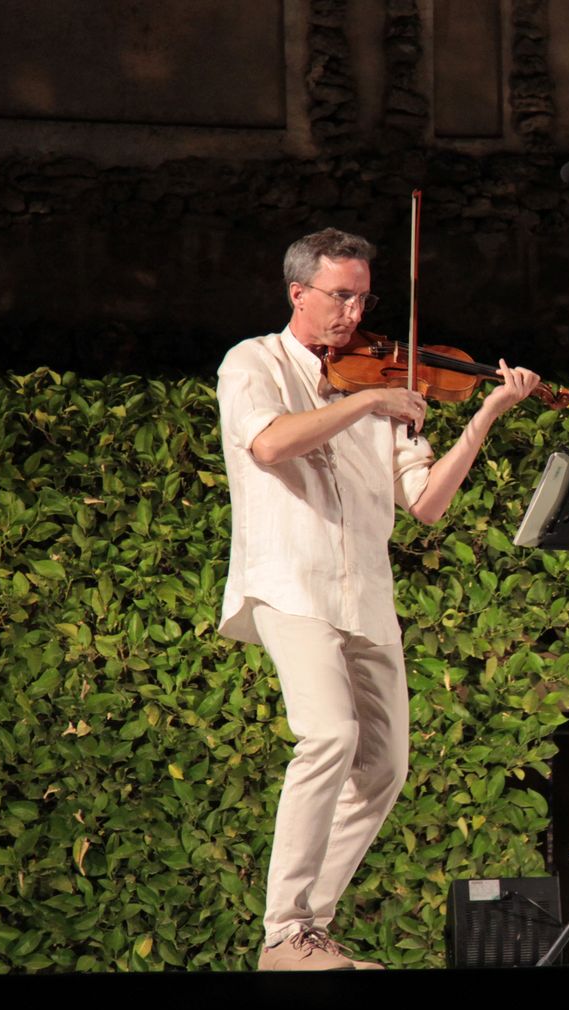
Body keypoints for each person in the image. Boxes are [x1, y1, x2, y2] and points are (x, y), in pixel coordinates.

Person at [216, 228, 540, 970]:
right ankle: (283, 930)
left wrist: (486, 413)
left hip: (364, 594)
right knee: (327, 733)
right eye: (340, 295)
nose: (353, 312)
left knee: (384, 766)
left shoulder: (379, 382)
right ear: (298, 293)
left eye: (362, 296)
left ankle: (310, 928)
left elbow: (425, 503)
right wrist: (367, 401)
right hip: (289, 580)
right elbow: (269, 445)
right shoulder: (254, 362)